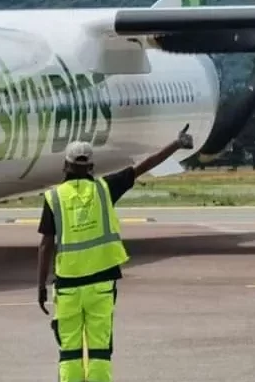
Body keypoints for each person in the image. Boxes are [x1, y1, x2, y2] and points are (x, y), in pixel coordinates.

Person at [36, 126, 194, 382]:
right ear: (91, 167)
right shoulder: (105, 188)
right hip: (101, 285)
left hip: (68, 287)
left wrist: (41, 286)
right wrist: (176, 144)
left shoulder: (54, 197)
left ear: (65, 166)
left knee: (69, 352)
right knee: (99, 350)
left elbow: (45, 244)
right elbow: (143, 166)